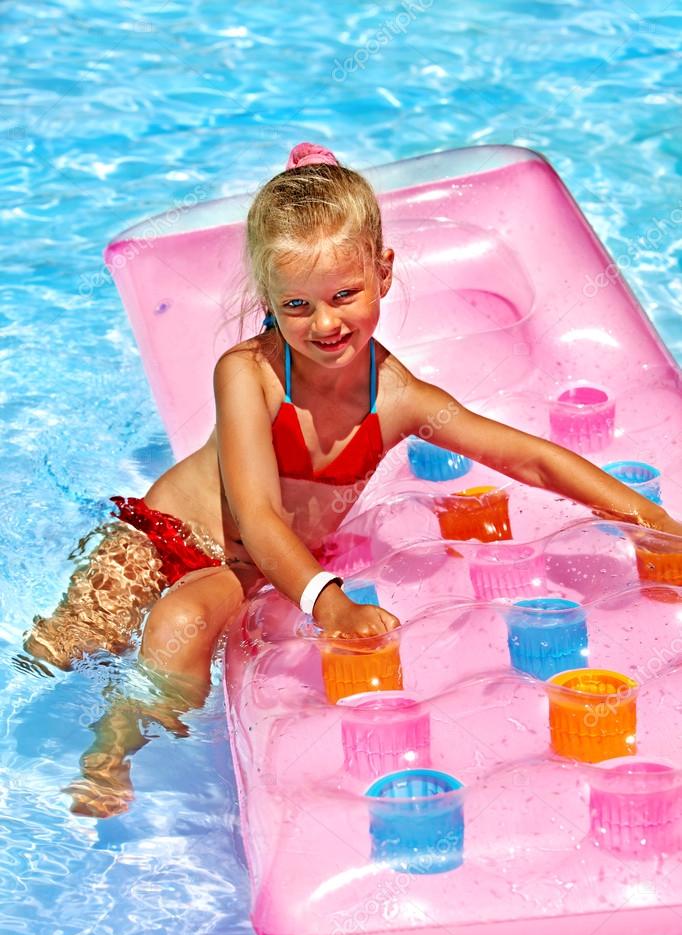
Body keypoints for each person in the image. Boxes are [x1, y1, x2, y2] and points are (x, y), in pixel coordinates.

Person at [24, 140, 682, 817]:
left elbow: (526, 457)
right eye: (298, 305)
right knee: (56, 651)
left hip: (248, 567)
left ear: (384, 272)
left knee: (182, 621)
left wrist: (645, 515)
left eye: (344, 294)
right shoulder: (246, 374)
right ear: (270, 302)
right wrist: (329, 603)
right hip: (164, 533)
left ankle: (113, 751)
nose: (326, 322)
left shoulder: (396, 397)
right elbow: (256, 513)